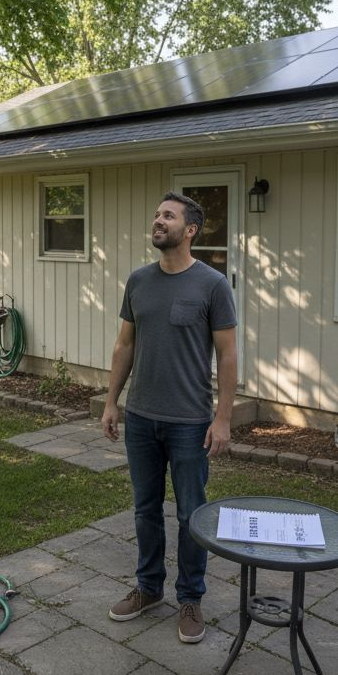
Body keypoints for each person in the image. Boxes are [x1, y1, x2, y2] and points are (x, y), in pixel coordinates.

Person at [101, 191, 237, 644]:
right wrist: (110, 401)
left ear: (191, 229)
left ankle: (190, 598)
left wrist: (222, 419)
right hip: (140, 418)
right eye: (157, 214)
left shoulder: (212, 285)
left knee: (191, 514)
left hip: (189, 423)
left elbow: (228, 354)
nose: (158, 221)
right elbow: (125, 346)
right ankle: (148, 588)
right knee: (145, 510)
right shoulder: (139, 281)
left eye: (168, 216)